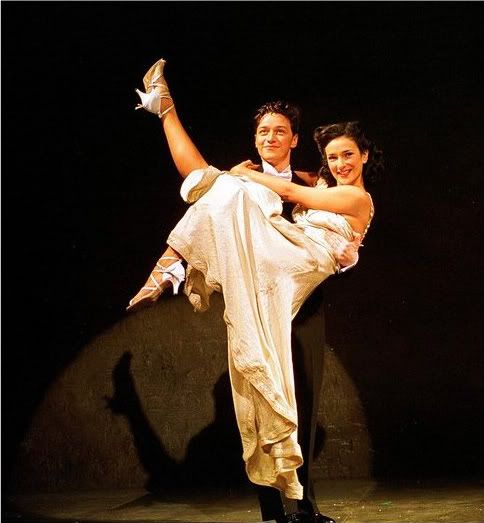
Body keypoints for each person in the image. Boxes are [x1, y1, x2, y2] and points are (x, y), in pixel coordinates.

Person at [127, 58, 383, 523]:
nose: (271, 138)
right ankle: (272, 509)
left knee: (299, 397)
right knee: (214, 186)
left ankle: (303, 506)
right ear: (256, 138)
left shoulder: (311, 182)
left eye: (280, 131)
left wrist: (243, 179)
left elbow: (315, 203)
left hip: (301, 295)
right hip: (258, 283)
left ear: (294, 139)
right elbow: (204, 180)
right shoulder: (245, 183)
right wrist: (224, 168)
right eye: (264, 131)